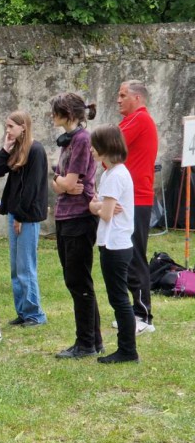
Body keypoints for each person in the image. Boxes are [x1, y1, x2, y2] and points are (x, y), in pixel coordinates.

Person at [49, 93, 104, 358]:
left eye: (55, 111)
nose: (52, 116)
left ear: (68, 114)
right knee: (76, 279)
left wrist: (61, 182)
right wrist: (60, 182)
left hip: (79, 217)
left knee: (78, 280)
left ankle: (86, 343)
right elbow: (60, 181)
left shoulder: (82, 140)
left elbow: (70, 184)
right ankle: (93, 340)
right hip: (65, 216)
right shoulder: (68, 141)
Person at [0, 111, 49, 327]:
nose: (7, 130)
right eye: (6, 126)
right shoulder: (17, 148)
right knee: (16, 267)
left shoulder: (35, 150)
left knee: (26, 266)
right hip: (16, 213)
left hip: (26, 216)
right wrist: (5, 148)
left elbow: (32, 187)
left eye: (10, 127)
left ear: (23, 127)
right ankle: (23, 311)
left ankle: (35, 314)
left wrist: (20, 217)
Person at [88, 125, 138, 363]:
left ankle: (128, 351)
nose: (91, 150)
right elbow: (96, 206)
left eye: (94, 146)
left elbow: (106, 213)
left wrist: (98, 207)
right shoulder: (109, 173)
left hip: (116, 245)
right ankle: (126, 349)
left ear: (106, 147)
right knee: (117, 297)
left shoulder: (116, 175)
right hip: (111, 243)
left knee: (119, 299)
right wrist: (98, 206)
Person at [117, 80, 158, 334]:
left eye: (123, 95)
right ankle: (133, 312)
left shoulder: (140, 119)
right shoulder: (131, 121)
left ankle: (143, 316)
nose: (118, 100)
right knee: (126, 255)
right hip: (128, 198)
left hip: (137, 198)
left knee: (135, 256)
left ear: (137, 99)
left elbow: (110, 144)